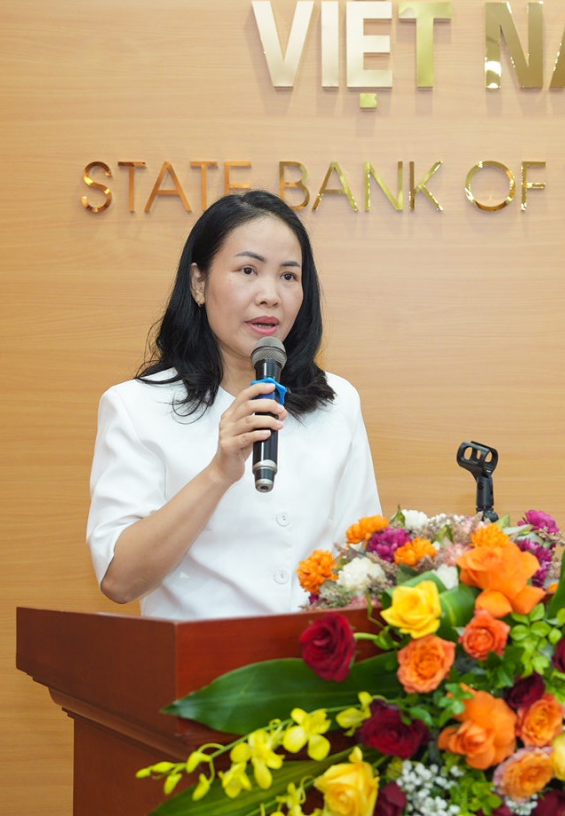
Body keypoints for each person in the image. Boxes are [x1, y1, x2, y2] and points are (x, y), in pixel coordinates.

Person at [87, 191, 381, 620]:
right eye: (248, 270)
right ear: (199, 283)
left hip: (311, 657)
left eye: (288, 276)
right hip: (199, 659)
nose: (270, 296)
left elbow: (365, 561)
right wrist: (218, 473)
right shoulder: (136, 407)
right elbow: (120, 580)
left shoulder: (338, 403)